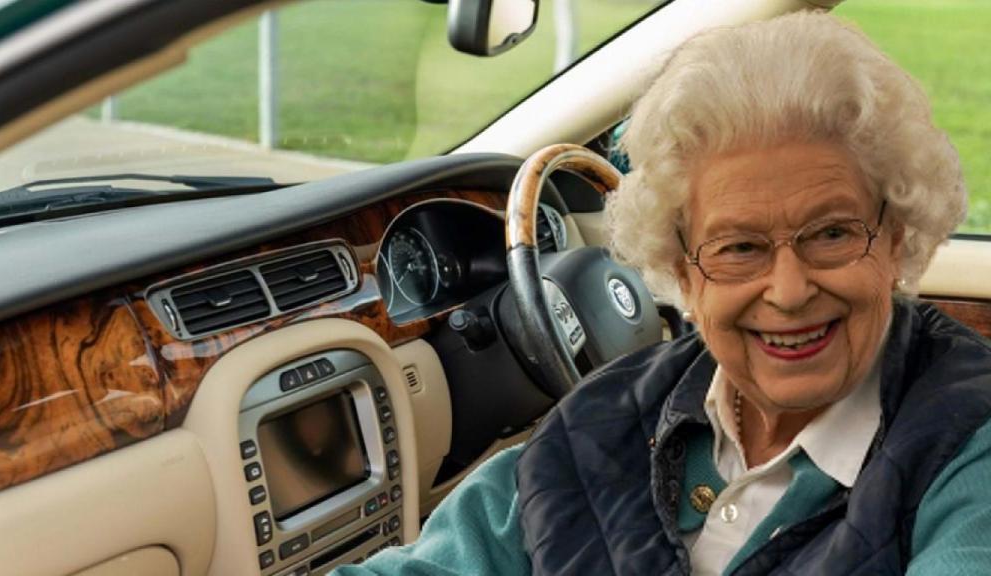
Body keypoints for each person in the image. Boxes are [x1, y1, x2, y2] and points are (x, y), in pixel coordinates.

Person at [333, 10, 991, 575]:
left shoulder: (969, 443)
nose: (789, 291)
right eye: (739, 248)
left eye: (832, 234)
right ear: (682, 272)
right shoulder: (596, 428)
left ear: (895, 238)